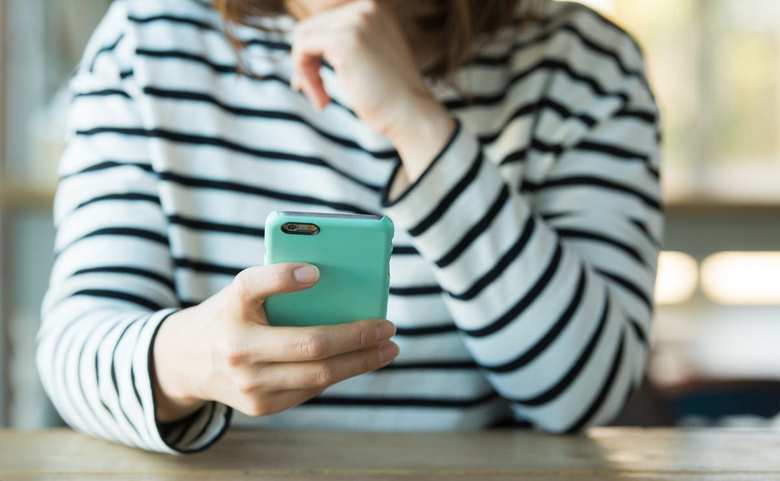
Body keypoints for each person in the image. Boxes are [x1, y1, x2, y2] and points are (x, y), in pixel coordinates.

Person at [37, 0, 662, 453]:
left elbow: (586, 391)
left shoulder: (585, 64)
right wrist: (193, 361)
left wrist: (417, 121)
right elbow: (72, 349)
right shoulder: (149, 40)